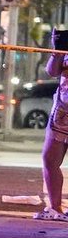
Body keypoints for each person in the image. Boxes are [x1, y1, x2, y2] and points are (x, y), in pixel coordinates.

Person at [36, 32, 68, 220]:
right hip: (63, 111)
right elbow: (52, 71)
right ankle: (55, 208)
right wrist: (57, 50)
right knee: (49, 159)